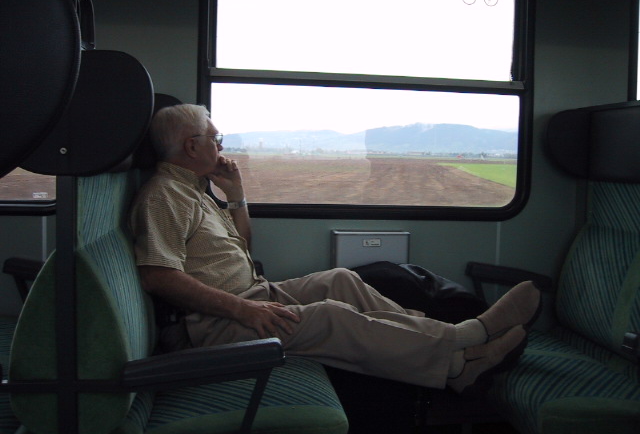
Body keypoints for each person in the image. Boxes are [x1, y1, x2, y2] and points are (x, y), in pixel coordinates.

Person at [129, 104, 542, 396]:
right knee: (330, 316)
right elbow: (158, 275)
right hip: (209, 326)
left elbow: (241, 250)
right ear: (190, 146)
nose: (221, 145)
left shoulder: (196, 191)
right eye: (215, 138)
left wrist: (235, 194)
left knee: (341, 280)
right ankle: (460, 352)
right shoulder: (164, 195)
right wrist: (244, 310)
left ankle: (456, 349)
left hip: (253, 295)